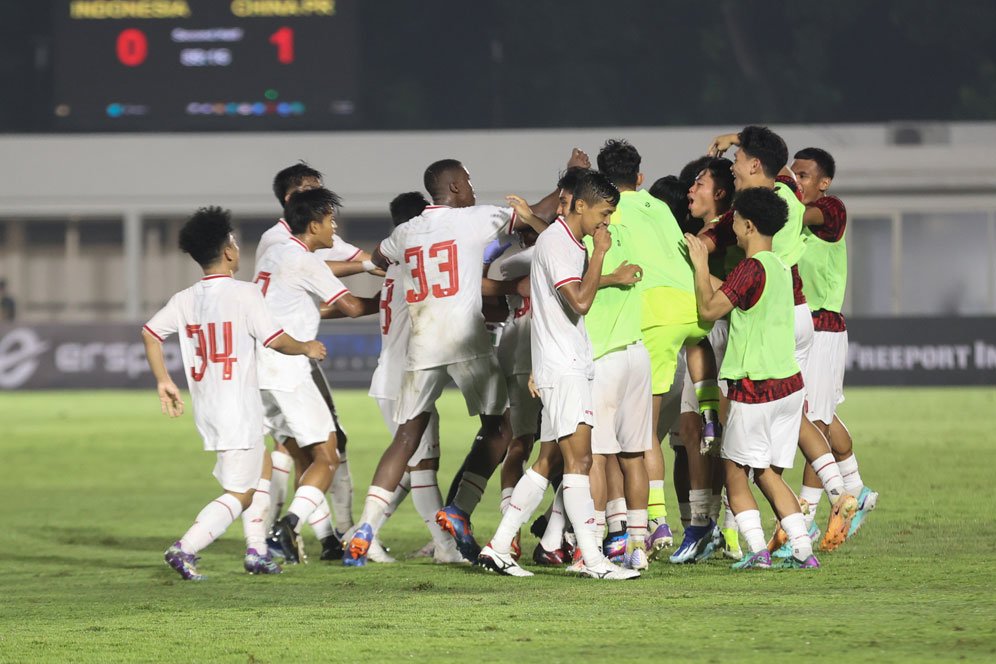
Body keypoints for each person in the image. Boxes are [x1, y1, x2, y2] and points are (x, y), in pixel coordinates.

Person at [344, 156, 561, 566]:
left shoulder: (405, 231)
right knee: (500, 426)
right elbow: (538, 213)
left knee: (407, 436)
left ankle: (368, 525)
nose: (474, 189)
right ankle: (459, 508)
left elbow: (379, 257)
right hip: (465, 340)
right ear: (457, 186)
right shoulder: (473, 219)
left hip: (422, 345)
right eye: (470, 181)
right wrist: (567, 179)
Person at [143, 206, 326, 580]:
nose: (238, 249)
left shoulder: (185, 298)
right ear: (228, 251)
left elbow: (150, 333)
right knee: (240, 493)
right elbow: (276, 340)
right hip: (236, 408)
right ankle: (185, 548)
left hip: (210, 405)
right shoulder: (245, 294)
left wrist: (164, 379)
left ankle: (256, 551)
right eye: (236, 243)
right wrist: (307, 346)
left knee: (259, 470)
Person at [477, 170, 639, 580]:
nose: (606, 224)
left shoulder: (563, 242)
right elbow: (579, 302)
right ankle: (592, 559)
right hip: (564, 367)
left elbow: (552, 309)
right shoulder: (561, 246)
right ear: (580, 205)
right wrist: (602, 254)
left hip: (562, 363)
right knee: (579, 460)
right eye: (603, 214)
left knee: (548, 460)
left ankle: (498, 547)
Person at [703, 126, 857, 552]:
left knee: (758, 412)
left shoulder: (757, 213)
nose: (732, 170)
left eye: (738, 162)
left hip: (778, 311)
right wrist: (736, 138)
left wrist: (698, 252)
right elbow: (781, 163)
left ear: (755, 166)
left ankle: (750, 526)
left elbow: (718, 244)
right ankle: (834, 490)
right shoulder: (787, 195)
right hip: (799, 309)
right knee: (797, 407)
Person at [596, 139, 719, 560]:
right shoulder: (661, 207)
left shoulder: (608, 212)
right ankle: (708, 408)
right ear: (641, 178)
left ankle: (656, 518)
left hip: (653, 315)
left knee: (639, 430)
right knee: (660, 421)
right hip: (689, 307)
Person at [685, 187, 819, 570]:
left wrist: (696, 264)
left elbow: (710, 309)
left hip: (755, 388)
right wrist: (704, 273)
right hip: (789, 387)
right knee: (765, 473)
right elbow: (732, 295)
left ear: (748, 224)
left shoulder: (749, 268)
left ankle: (758, 551)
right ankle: (803, 550)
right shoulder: (779, 266)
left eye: (736, 222)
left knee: (735, 472)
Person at [258, 188, 379, 564]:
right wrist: (397, 297)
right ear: (314, 225)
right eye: (330, 221)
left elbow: (307, 307)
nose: (334, 227)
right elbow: (353, 306)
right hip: (288, 370)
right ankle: (287, 527)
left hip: (260, 371)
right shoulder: (305, 261)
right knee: (328, 457)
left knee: (302, 456)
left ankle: (321, 540)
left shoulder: (274, 253)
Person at [366, 191, 466, 564]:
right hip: (403, 381)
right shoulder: (416, 267)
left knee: (412, 470)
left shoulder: (397, 267)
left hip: (395, 377)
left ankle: (365, 532)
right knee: (422, 468)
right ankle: (445, 548)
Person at [792, 147, 878, 541]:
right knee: (818, 416)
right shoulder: (793, 221)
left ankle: (805, 518)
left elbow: (801, 212)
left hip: (823, 327)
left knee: (814, 422)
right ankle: (857, 490)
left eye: (804, 175)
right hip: (803, 329)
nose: (797, 181)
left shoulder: (830, 210)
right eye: (794, 174)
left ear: (823, 183)